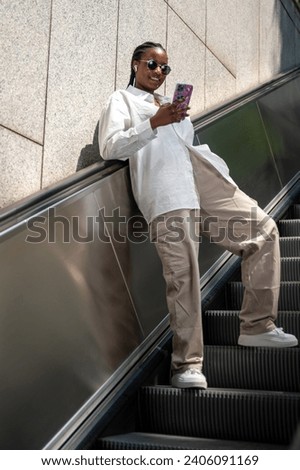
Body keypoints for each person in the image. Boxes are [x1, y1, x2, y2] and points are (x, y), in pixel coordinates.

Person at [98, 41, 298, 389]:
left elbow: (188, 145)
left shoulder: (169, 104)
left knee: (264, 230)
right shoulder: (122, 100)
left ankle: (257, 326)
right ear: (134, 65)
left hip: (200, 179)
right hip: (167, 191)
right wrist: (154, 124)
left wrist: (175, 120)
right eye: (152, 64)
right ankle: (187, 365)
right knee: (185, 276)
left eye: (164, 68)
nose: (159, 72)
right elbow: (110, 146)